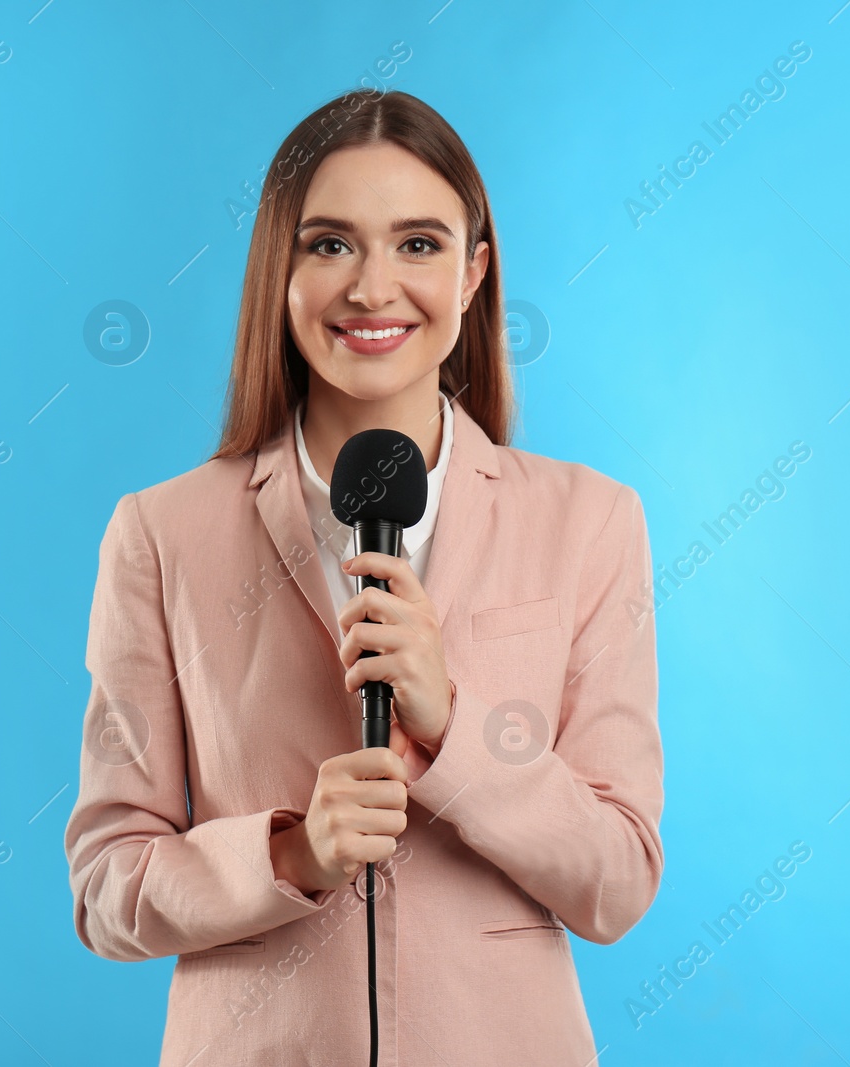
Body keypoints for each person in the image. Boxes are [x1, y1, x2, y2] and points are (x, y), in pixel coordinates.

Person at [64, 88, 664, 1065]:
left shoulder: (588, 520)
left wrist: (454, 724)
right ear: (279, 272)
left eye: (418, 244)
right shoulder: (161, 532)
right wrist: (289, 854)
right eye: (330, 243)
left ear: (474, 272)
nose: (372, 287)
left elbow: (618, 880)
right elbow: (106, 887)